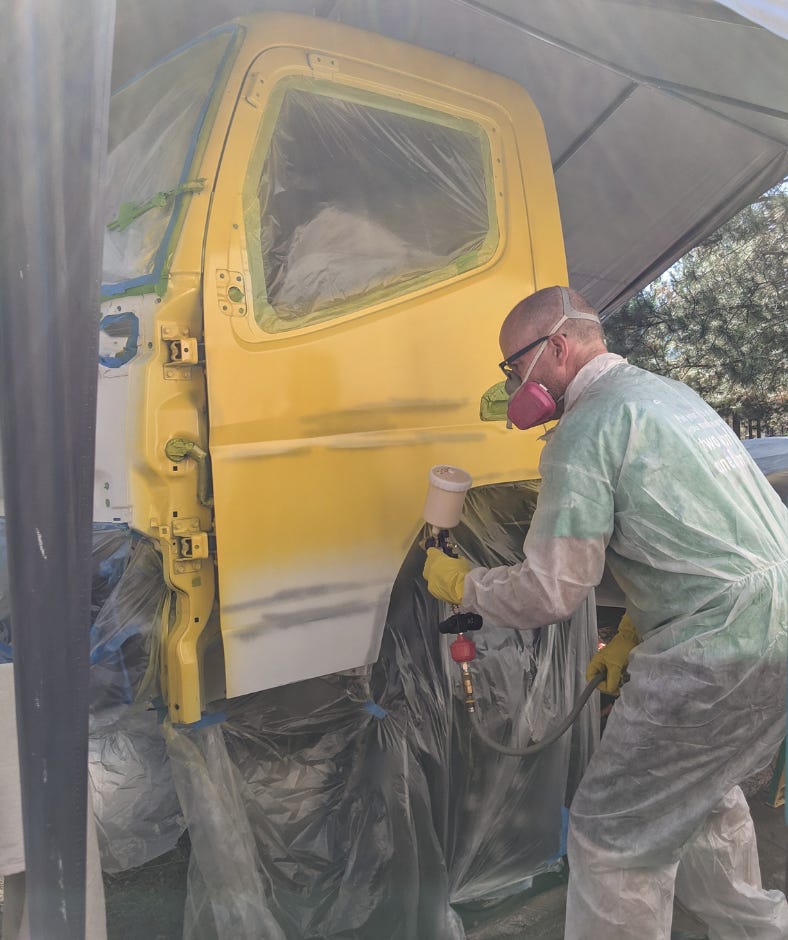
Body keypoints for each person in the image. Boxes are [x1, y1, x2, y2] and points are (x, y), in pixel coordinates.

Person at [422, 285, 788, 939]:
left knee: (610, 838)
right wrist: (630, 630)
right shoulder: (665, 397)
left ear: (556, 348)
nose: (511, 385)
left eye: (512, 367)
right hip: (771, 625)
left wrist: (464, 584)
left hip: (716, 651)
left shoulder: (585, 429)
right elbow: (696, 535)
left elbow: (550, 592)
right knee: (699, 800)